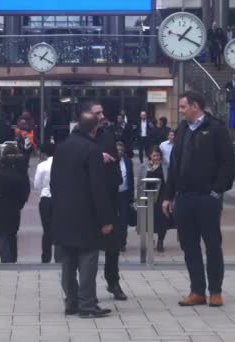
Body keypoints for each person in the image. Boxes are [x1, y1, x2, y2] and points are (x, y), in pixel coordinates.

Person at [162, 90, 235, 307]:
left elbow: (228, 163)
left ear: (195, 106)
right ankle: (197, 291)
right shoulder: (182, 129)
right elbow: (174, 165)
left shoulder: (216, 129)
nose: (181, 110)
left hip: (207, 197)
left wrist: (217, 191)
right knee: (189, 245)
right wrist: (168, 195)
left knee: (212, 244)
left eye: (183, 107)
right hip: (184, 197)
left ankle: (215, 291)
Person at [51, 110, 115, 318]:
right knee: (88, 259)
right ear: (94, 129)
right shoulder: (92, 150)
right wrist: (105, 219)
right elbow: (97, 187)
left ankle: (71, 303)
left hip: (62, 212)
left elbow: (53, 183)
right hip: (86, 214)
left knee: (67, 261)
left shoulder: (60, 148)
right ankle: (87, 304)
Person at [88, 101, 128, 301]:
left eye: (102, 111)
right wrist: (97, 158)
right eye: (97, 112)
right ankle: (87, 287)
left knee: (112, 244)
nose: (102, 115)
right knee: (88, 248)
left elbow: (115, 165)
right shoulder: (78, 138)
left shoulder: (108, 136)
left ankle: (113, 281)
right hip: (86, 202)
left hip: (109, 198)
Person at [0, 144, 30, 263]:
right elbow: (24, 194)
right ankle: (13, 259)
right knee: (12, 234)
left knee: (2, 235)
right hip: (14, 208)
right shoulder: (19, 177)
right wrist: (19, 205)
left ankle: (5, 260)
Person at [139, 147, 170, 252]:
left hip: (161, 196)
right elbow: (140, 183)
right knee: (149, 220)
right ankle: (150, 239)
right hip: (148, 196)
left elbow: (169, 182)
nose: (156, 157)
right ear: (150, 156)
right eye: (154, 155)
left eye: (158, 155)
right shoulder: (144, 167)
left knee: (162, 220)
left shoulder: (165, 166)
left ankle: (160, 241)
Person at [34, 143, 56, 263]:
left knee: (47, 230)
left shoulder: (42, 166)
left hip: (46, 198)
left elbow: (36, 185)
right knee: (59, 228)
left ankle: (46, 257)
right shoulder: (63, 164)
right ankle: (60, 256)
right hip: (59, 199)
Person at [115, 142, 134, 252]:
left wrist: (131, 197)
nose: (119, 151)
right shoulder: (111, 161)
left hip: (124, 194)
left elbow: (130, 178)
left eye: (121, 149)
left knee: (123, 220)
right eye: (117, 149)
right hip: (113, 194)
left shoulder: (128, 162)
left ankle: (122, 242)